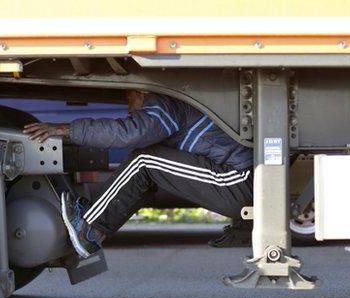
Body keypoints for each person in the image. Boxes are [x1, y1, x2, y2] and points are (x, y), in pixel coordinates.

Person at [23, 91, 253, 258]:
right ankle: (94, 233)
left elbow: (129, 134)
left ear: (141, 91)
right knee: (147, 169)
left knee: (144, 160)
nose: (129, 109)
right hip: (238, 179)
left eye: (129, 100)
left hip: (237, 179)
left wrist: (67, 130)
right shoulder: (177, 107)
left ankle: (89, 229)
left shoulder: (163, 104)